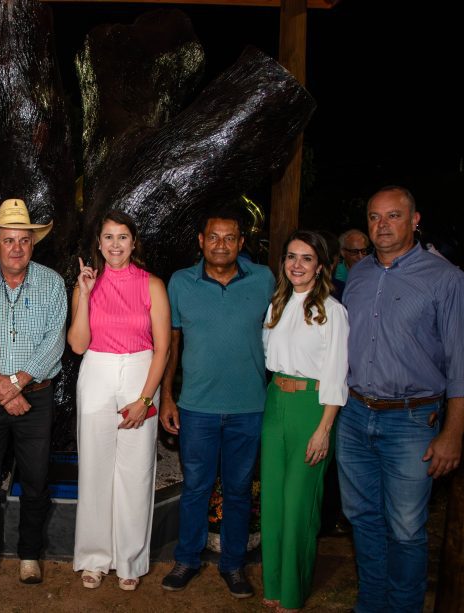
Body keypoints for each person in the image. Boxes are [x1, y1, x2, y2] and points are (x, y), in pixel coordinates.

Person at [338, 186, 464, 612]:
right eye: (375, 217)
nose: (383, 225)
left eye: (394, 216)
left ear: (415, 220)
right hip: (354, 414)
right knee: (362, 519)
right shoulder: (358, 275)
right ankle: (371, 602)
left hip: (412, 421)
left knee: (405, 529)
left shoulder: (447, 280)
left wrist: (452, 434)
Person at [159, 206, 274, 597]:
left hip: (249, 408)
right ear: (200, 241)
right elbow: (172, 344)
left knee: (240, 489)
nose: (220, 244)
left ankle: (233, 564)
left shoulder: (263, 279)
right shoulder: (180, 283)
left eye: (229, 238)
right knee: (196, 487)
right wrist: (167, 397)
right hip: (197, 407)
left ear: (241, 243)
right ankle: (187, 558)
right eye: (213, 237)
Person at [0, 199, 67, 587]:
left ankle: (28, 554)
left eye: (24, 241)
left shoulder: (53, 283)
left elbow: (54, 343)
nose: (17, 248)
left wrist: (17, 384)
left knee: (37, 479)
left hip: (35, 396)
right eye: (9, 241)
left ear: (32, 245)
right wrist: (2, 388)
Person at [67, 210, 170, 591]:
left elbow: (164, 347)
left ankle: (129, 559)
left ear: (133, 242)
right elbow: (78, 345)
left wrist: (146, 398)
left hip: (142, 371)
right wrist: (86, 293)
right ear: (98, 243)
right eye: (108, 237)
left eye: (122, 237)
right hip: (97, 370)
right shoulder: (85, 285)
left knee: (136, 470)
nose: (115, 244)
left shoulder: (152, 285)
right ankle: (94, 558)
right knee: (94, 468)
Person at [260, 230, 349, 612]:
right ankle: (274, 584)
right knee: (273, 502)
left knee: (299, 504)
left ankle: (293, 595)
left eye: (306, 258)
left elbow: (336, 373)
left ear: (321, 266)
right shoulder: (276, 304)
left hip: (313, 408)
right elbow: (268, 356)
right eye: (291, 257)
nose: (297, 264)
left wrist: (324, 429)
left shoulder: (332, 311)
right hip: (275, 402)